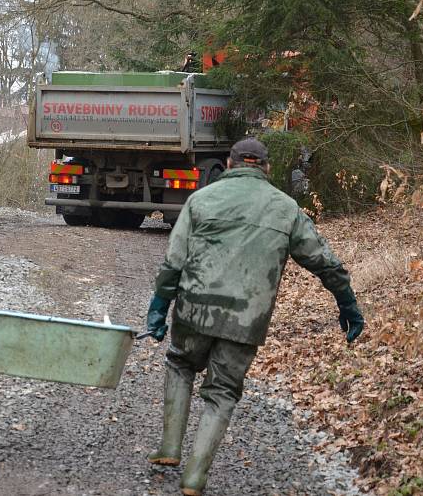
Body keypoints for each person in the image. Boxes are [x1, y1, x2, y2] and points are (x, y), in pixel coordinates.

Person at [144, 137, 364, 496]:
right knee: (222, 392)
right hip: (247, 320)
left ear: (229, 165)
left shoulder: (200, 200)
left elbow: (173, 261)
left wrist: (158, 308)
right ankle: (195, 478)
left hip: (194, 310)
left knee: (181, 363)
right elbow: (325, 261)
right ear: (266, 168)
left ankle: (170, 448)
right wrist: (347, 303)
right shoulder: (285, 208)